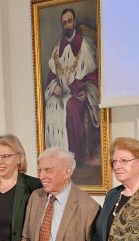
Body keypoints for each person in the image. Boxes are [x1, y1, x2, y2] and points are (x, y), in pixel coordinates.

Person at [44, 8, 100, 165]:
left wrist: (85, 89)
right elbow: (51, 74)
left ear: (74, 22)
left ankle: (75, 156)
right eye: (64, 23)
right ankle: (57, 160)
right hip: (62, 93)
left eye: (69, 21)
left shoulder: (85, 46)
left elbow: (92, 76)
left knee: (71, 107)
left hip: (79, 95)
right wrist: (54, 85)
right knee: (51, 104)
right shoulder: (58, 48)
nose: (67, 25)